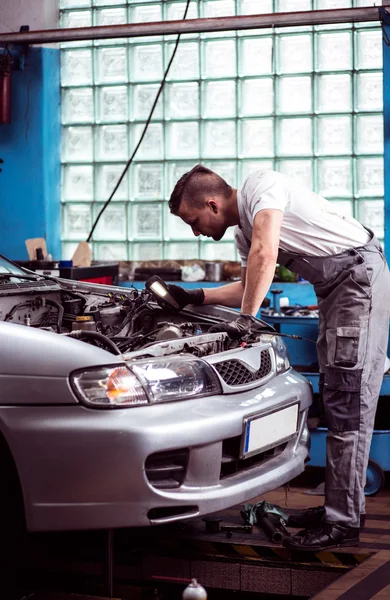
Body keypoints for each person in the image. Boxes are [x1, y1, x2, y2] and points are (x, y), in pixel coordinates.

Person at [166, 164, 390, 551]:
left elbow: (266, 253)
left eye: (194, 221)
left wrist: (248, 321)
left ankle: (343, 522)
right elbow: (250, 281)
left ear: (212, 203)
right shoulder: (243, 233)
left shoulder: (260, 187)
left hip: (356, 279)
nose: (197, 232)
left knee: (347, 399)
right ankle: (342, 508)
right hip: (337, 288)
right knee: (338, 396)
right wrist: (196, 296)